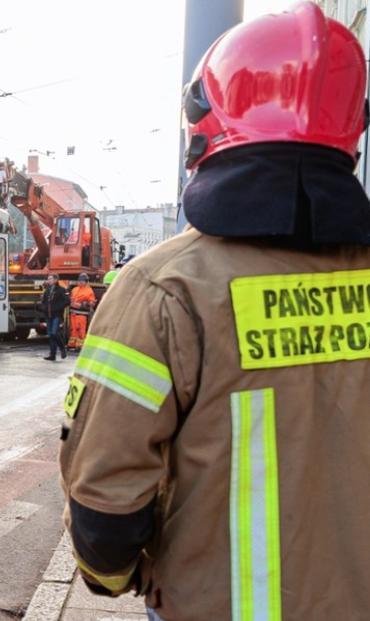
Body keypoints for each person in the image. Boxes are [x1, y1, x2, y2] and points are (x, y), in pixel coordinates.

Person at [59, 4, 370, 620]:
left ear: (207, 125)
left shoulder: (162, 289)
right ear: (351, 133)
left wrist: (124, 577)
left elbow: (104, 505)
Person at [40, 274, 69, 361]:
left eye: (51, 279)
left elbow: (67, 301)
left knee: (54, 333)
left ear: (56, 280)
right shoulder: (47, 291)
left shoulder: (61, 290)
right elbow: (44, 301)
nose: (49, 280)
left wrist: (58, 308)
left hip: (57, 315)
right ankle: (52, 354)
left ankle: (62, 348)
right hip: (48, 315)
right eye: (48, 279)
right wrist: (44, 308)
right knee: (50, 335)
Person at [67, 273, 94, 352]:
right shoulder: (74, 290)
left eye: (82, 281)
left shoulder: (89, 291)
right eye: (79, 281)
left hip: (82, 314)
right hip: (73, 313)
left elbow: (91, 302)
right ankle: (72, 344)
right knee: (73, 329)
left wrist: (85, 304)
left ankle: (80, 346)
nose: (80, 282)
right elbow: (71, 299)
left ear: (86, 281)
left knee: (80, 330)